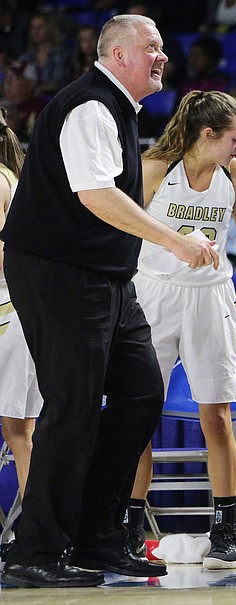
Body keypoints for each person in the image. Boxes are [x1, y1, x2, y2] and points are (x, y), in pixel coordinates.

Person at [0, 14, 218, 588]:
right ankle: (35, 551)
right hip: (61, 274)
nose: (162, 57)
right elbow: (95, 195)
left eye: (163, 47)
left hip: (107, 277)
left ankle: (98, 537)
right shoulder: (91, 107)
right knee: (71, 408)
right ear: (118, 55)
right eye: (152, 47)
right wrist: (173, 240)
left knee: (143, 393)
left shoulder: (118, 108)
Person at [124, 90, 236, 570]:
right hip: (154, 294)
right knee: (139, 415)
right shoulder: (154, 170)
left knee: (217, 415)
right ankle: (129, 525)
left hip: (210, 297)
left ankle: (224, 528)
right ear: (208, 135)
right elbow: (121, 233)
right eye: (235, 138)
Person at [0, 108, 41, 511]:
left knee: (20, 431)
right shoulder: (12, 175)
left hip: (8, 310)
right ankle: (34, 526)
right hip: (21, 307)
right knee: (20, 431)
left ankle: (35, 524)